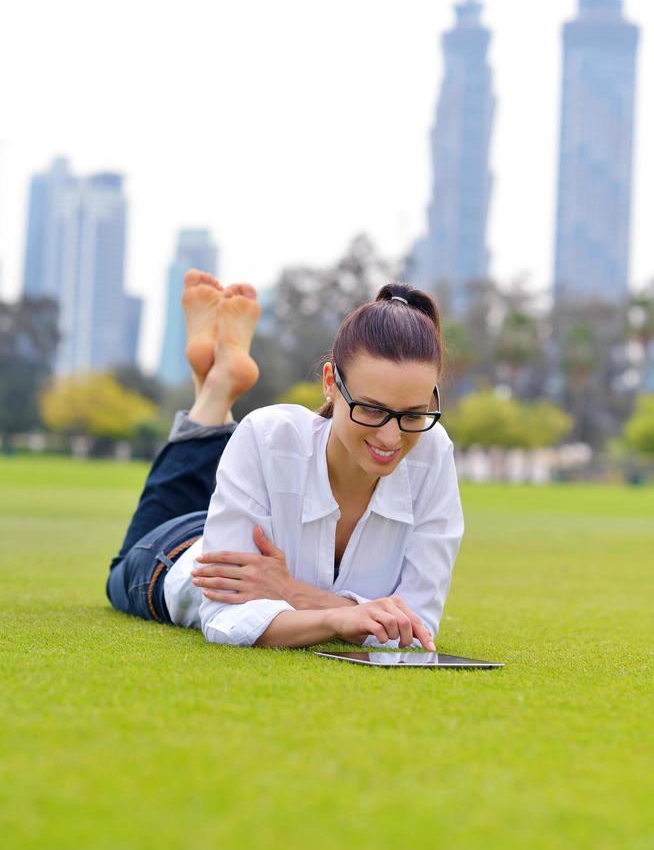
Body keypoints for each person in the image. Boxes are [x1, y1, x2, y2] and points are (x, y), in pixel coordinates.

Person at [106, 269, 464, 650]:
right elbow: (223, 617)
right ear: (330, 382)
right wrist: (341, 616)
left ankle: (217, 380)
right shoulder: (270, 434)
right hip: (176, 554)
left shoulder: (432, 450)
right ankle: (215, 389)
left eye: (412, 414)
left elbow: (416, 626)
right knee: (120, 570)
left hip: (243, 522)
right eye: (371, 410)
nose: (391, 437)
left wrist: (294, 593)